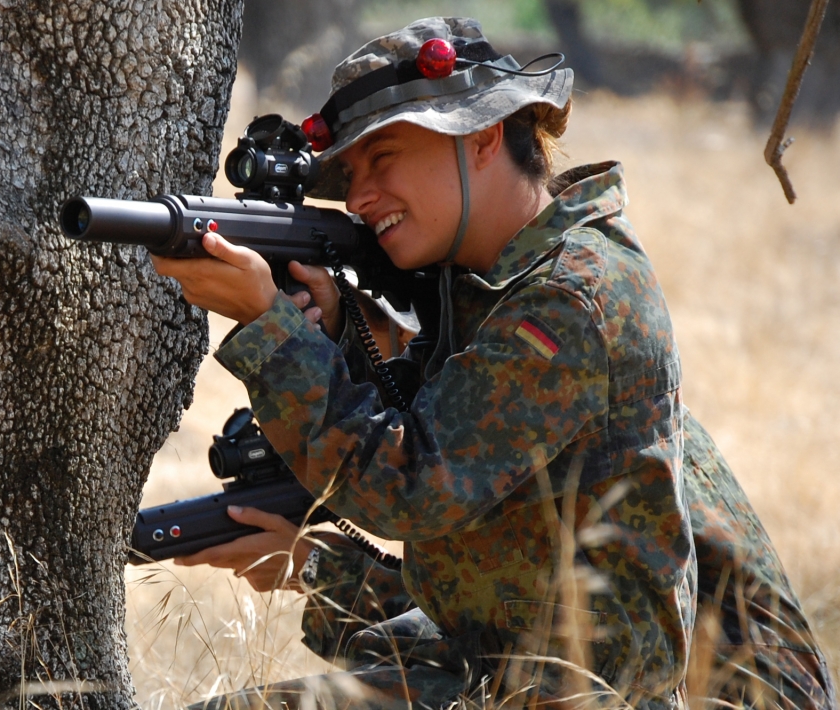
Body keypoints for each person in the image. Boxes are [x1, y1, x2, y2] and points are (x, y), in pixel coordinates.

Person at [151, 17, 835, 710]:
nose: (357, 198)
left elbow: (409, 486)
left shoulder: (568, 299)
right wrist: (337, 335)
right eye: (350, 174)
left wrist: (271, 330)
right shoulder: (485, 291)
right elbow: (489, 603)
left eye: (383, 158)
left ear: (481, 136)